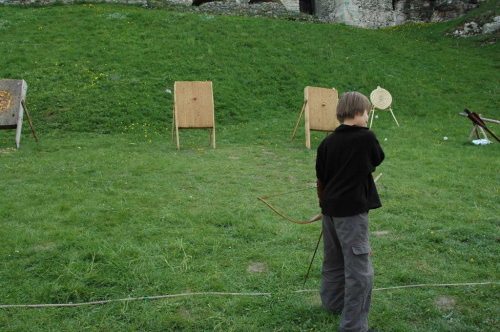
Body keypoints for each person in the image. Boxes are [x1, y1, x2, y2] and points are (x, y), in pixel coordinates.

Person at [315, 91, 385, 332]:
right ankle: (353, 326)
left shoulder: (327, 142)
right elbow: (377, 158)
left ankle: (332, 304)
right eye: (366, 113)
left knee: (333, 260)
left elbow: (322, 176)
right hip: (351, 214)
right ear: (357, 113)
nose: (367, 117)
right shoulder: (365, 138)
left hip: (331, 212)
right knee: (360, 271)